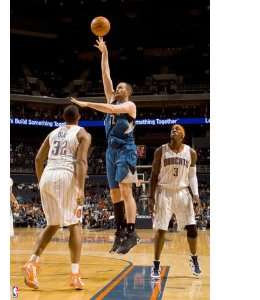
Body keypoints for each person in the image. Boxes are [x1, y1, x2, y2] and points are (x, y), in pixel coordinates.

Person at [70, 37, 139, 254]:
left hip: (126, 150)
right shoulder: (111, 100)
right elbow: (105, 75)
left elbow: (108, 110)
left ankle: (132, 232)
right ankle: (120, 233)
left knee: (126, 191)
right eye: (116, 88)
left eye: (120, 87)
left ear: (127, 92)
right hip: (110, 151)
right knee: (114, 195)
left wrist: (86, 103)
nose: (116, 88)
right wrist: (104, 53)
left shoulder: (129, 106)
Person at [22, 105, 91, 290]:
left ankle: (31, 262)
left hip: (47, 175)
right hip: (65, 175)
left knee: (53, 224)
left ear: (63, 117)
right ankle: (75, 275)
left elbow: (38, 159)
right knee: (75, 224)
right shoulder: (82, 133)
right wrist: (81, 189)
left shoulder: (52, 133)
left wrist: (41, 181)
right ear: (79, 117)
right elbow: (82, 161)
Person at [149, 124, 202, 279]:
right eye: (172, 128)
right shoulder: (161, 151)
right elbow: (153, 175)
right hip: (164, 192)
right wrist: (151, 197)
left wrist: (196, 195)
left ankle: (194, 260)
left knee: (192, 228)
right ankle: (156, 264)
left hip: (182, 192)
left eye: (177, 129)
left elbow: (192, 176)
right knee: (161, 230)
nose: (174, 129)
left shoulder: (190, 153)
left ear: (182, 135)